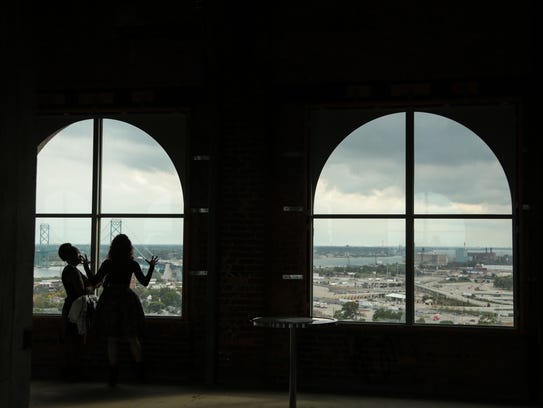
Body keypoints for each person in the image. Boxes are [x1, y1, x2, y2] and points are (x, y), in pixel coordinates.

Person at [90, 234, 158, 386]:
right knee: (133, 338)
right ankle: (140, 375)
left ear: (113, 248)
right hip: (127, 299)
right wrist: (152, 267)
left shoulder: (108, 263)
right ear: (129, 248)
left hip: (109, 300)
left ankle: (113, 377)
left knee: (112, 339)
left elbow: (94, 281)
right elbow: (145, 282)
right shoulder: (132, 264)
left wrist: (87, 267)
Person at [58, 243, 99, 381]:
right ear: (70, 257)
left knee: (71, 341)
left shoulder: (71, 270)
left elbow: (91, 285)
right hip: (75, 310)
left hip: (71, 308)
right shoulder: (73, 271)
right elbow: (83, 291)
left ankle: (70, 371)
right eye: (77, 254)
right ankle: (73, 371)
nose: (80, 256)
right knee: (74, 341)